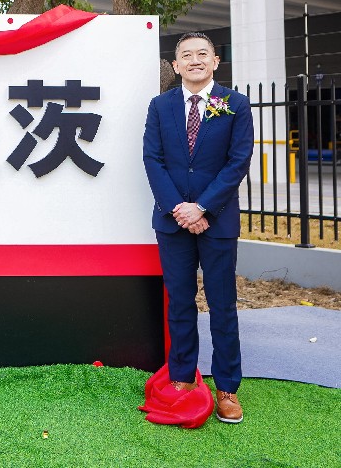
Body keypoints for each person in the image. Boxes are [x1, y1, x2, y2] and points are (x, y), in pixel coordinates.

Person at [142, 32, 253, 423]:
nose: (194, 60)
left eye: (202, 54)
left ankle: (227, 388)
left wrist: (202, 207)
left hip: (217, 220)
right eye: (186, 55)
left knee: (222, 305)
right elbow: (153, 159)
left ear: (215, 61)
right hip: (172, 221)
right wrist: (179, 209)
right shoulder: (161, 106)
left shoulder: (234, 104)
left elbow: (238, 161)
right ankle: (182, 377)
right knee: (180, 302)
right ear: (175, 66)